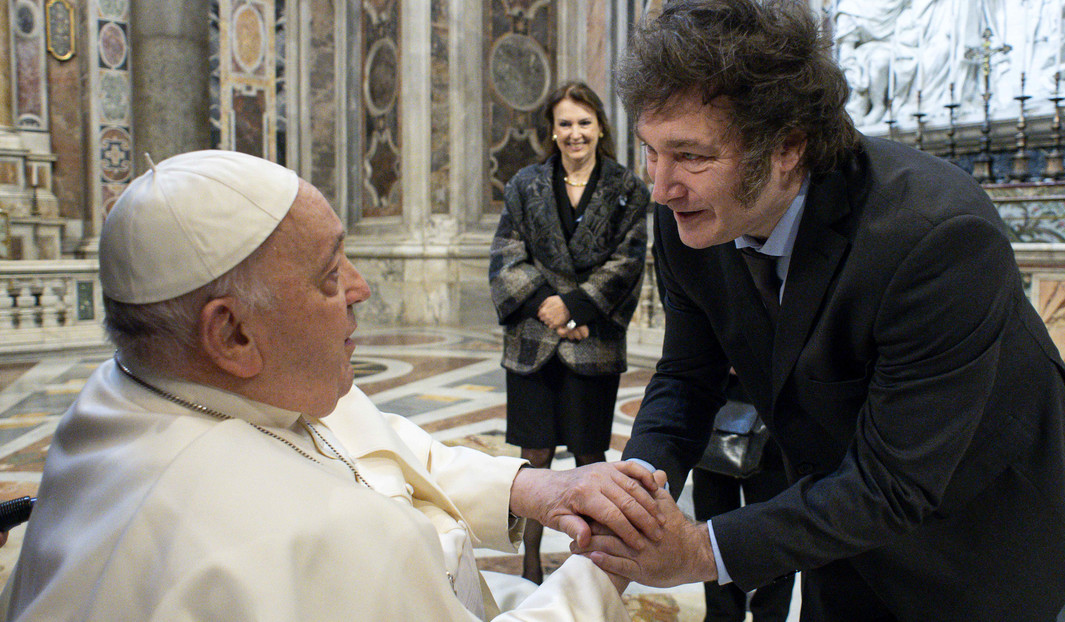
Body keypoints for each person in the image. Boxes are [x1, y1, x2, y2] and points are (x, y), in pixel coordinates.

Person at [574, 1, 1065, 620]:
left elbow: (894, 484)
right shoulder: (690, 220)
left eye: (691, 156)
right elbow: (689, 377)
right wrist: (633, 489)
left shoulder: (936, 236)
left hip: (978, 539)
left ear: (788, 148)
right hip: (836, 520)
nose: (661, 187)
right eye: (650, 150)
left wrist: (700, 550)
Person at [0, 150, 666, 621]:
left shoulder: (142, 388)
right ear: (232, 335)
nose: (360, 287)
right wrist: (604, 571)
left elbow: (372, 444)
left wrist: (530, 486)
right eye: (327, 274)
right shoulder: (298, 536)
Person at [489, 82, 651, 584]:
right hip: (534, 344)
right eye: (564, 123)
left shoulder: (627, 188)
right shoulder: (524, 185)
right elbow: (505, 256)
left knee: (590, 458)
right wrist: (550, 310)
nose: (574, 133)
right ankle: (531, 563)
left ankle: (590, 562)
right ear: (552, 131)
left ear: (600, 126)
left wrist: (578, 311)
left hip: (593, 343)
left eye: (584, 122)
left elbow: (628, 263)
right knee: (533, 460)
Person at [692, 376, 792, 622]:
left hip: (777, 411)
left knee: (776, 533)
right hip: (712, 404)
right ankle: (721, 615)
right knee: (711, 531)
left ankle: (771, 616)